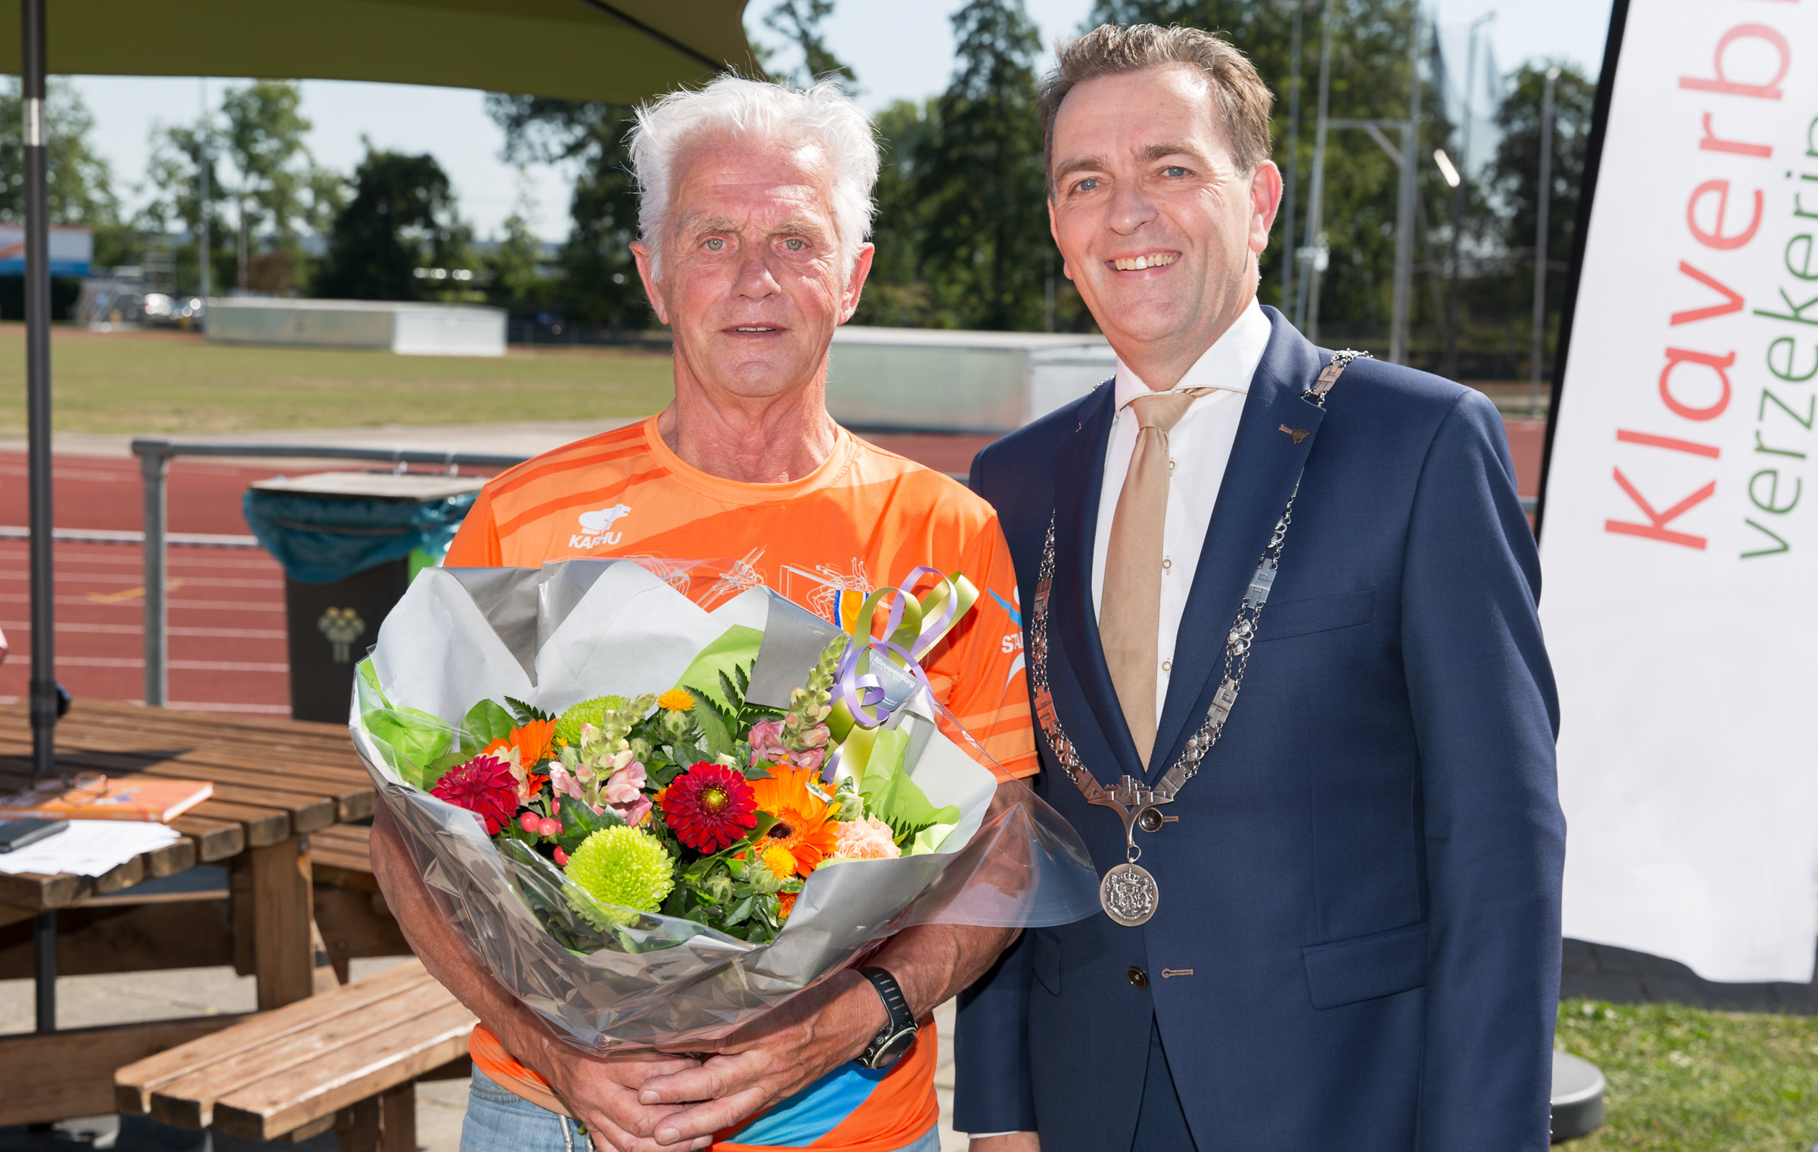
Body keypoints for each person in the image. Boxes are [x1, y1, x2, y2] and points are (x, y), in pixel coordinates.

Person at [369, 76, 1038, 1152]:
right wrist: (557, 1054)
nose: (755, 279)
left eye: (795, 240)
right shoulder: (525, 515)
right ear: (651, 274)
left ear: (853, 277)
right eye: (713, 238)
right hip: (548, 1117)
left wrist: (844, 1025)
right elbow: (406, 846)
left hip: (853, 1125)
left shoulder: (943, 536)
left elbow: (1004, 852)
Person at [953, 25, 1565, 1151]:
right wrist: (996, 1114)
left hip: (1340, 1098)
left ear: (1260, 198)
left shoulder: (1416, 442)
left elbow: (1497, 843)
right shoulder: (1010, 483)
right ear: (1056, 226)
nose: (1124, 212)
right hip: (1083, 1095)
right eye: (1085, 181)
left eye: (1171, 168)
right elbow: (1009, 827)